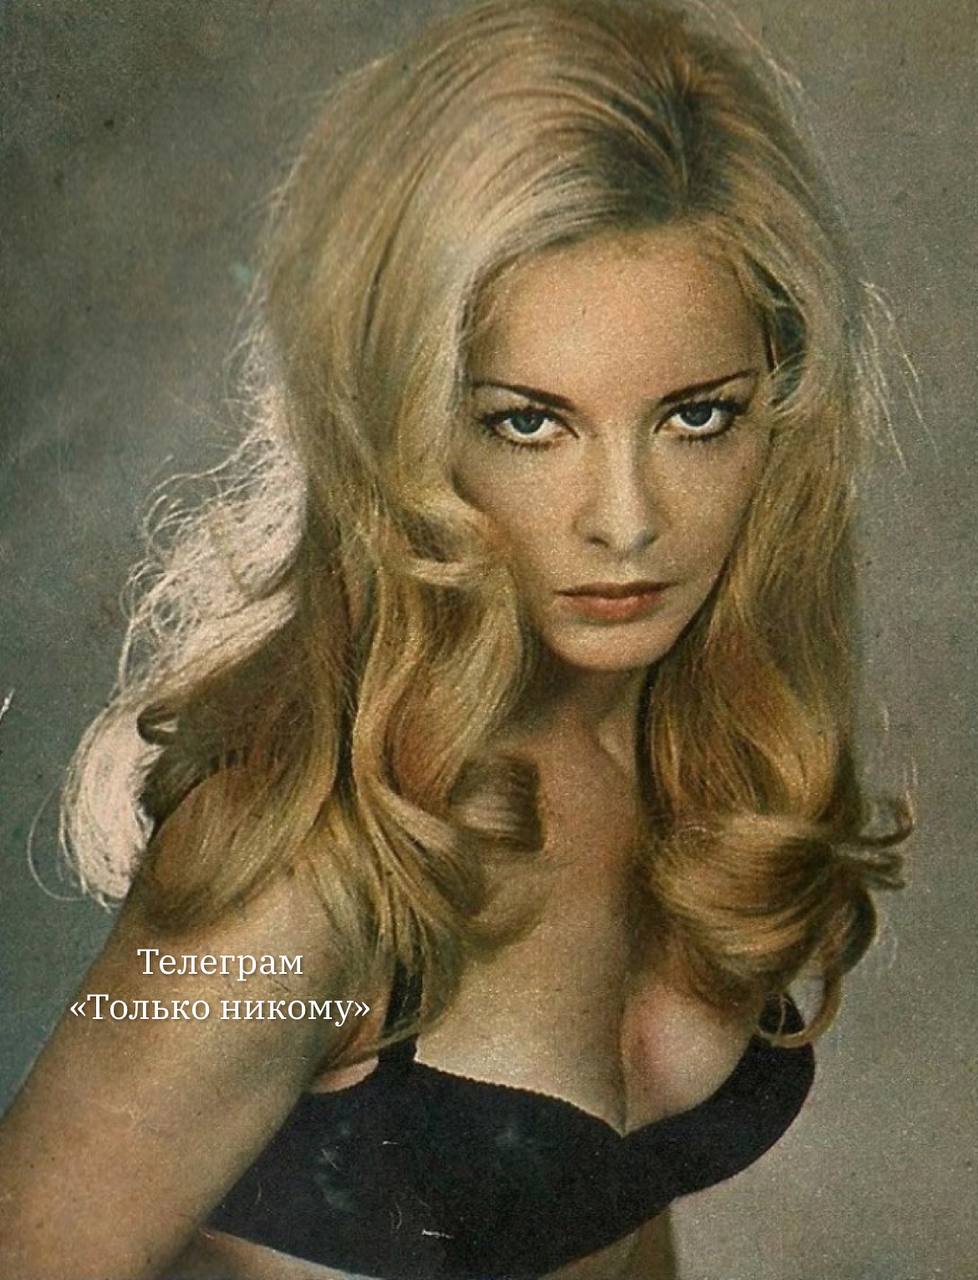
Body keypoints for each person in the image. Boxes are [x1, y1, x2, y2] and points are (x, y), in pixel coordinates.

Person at [0, 1, 911, 1277]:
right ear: (402, 425)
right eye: (529, 422)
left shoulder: (687, 755)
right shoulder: (308, 860)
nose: (627, 521)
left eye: (696, 417)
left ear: (784, 413)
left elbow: (611, 1217)